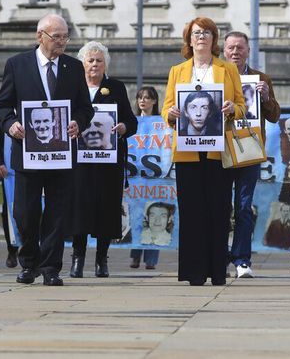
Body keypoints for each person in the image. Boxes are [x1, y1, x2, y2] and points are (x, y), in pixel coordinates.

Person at [0, 13, 93, 286]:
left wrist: (78, 123)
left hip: (61, 153)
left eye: (65, 36)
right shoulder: (17, 65)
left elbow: (86, 108)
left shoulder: (74, 67)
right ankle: (29, 262)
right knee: (25, 213)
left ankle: (51, 267)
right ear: (40, 36)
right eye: (56, 36)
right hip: (27, 151)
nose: (62, 42)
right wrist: (11, 124)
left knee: (57, 212)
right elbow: (2, 106)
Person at [162, 16, 245, 286]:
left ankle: (217, 270)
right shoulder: (178, 71)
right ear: (189, 39)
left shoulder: (227, 69)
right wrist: (172, 114)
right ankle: (193, 271)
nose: (202, 37)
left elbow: (243, 106)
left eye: (207, 33)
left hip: (217, 151)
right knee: (191, 211)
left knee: (219, 210)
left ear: (214, 39)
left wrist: (233, 108)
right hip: (187, 152)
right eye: (197, 33)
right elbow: (167, 108)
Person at [70, 41, 138, 279]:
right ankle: (77, 258)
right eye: (90, 60)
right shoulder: (73, 87)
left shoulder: (116, 88)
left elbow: (132, 122)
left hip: (109, 162)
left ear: (105, 64)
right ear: (82, 63)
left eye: (99, 60)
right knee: (80, 208)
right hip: (80, 161)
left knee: (107, 209)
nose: (95, 65)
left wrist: (123, 127)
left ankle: (102, 259)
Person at [222, 30, 281, 279]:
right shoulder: (216, 75)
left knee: (244, 206)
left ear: (248, 50)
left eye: (240, 48)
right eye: (231, 48)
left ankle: (242, 259)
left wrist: (266, 96)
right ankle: (220, 254)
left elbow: (275, 115)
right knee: (221, 206)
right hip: (222, 147)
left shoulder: (260, 77)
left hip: (250, 147)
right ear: (224, 51)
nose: (235, 52)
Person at [130, 86, 162, 270]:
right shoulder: (132, 121)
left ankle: (151, 259)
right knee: (136, 216)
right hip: (135, 176)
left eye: (147, 98)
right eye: (140, 97)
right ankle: (135, 255)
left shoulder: (161, 123)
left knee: (155, 215)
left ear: (154, 101)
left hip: (156, 176)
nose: (143, 101)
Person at [0, 122, 19, 268]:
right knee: (9, 211)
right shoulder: (6, 117)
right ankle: (12, 250)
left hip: (33, 171)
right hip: (10, 174)